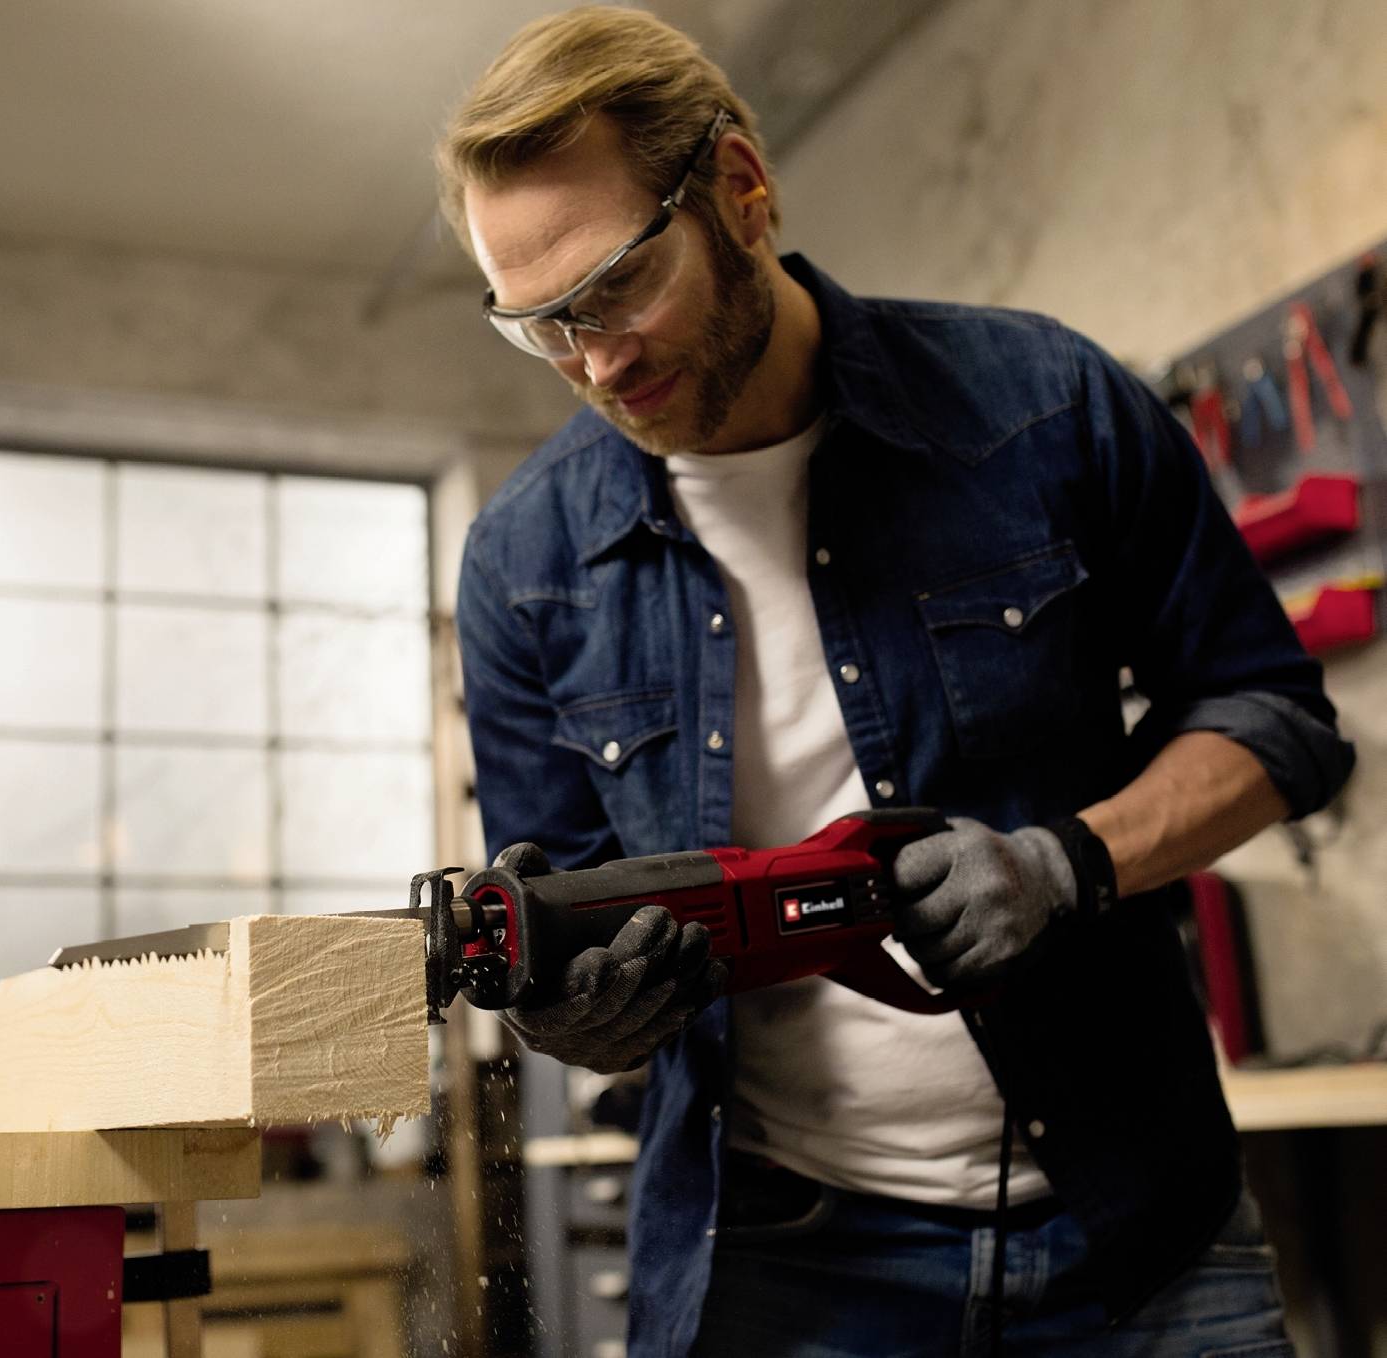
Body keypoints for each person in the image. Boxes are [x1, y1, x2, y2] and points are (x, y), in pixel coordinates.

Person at [438, 8, 1354, 1358]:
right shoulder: (523, 562)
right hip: (782, 1266)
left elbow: (1274, 716)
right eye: (543, 327)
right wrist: (583, 1018)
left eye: (619, 284)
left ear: (742, 188)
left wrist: (1068, 864)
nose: (598, 362)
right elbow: (566, 918)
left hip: (1134, 1228)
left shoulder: (1044, 405)